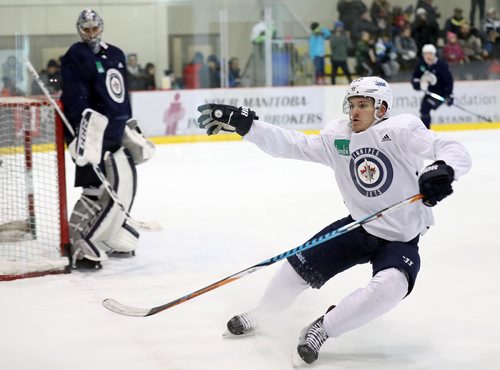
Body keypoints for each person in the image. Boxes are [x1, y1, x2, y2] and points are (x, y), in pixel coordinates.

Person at [196, 76, 471, 366]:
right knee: (297, 266)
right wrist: (248, 126)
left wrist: (444, 169)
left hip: (401, 237)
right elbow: (292, 144)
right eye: (351, 104)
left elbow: (454, 149)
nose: (354, 112)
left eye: (363, 105)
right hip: (359, 226)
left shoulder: (401, 130)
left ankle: (322, 329)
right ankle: (263, 314)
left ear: (382, 108)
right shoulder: (339, 137)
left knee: (392, 286)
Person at [60, 9, 155, 269]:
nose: (90, 33)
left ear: (101, 27)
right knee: (94, 187)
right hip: (92, 132)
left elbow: (121, 94)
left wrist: (129, 125)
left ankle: (110, 233)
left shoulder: (116, 54)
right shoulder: (74, 56)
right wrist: (79, 132)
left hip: (116, 130)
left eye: (94, 28)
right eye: (86, 29)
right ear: (79, 30)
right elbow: (74, 96)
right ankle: (77, 238)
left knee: (120, 184)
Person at [411, 44, 454, 128]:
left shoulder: (441, 65)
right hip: (430, 91)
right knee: (423, 110)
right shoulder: (422, 64)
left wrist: (449, 95)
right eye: (425, 54)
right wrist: (416, 83)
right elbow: (416, 76)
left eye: (430, 54)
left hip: (441, 93)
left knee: (426, 107)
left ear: (434, 54)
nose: (427, 56)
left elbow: (449, 81)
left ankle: (426, 131)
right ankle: (425, 131)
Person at [329, 20, 352, 85]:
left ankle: (351, 84)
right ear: (335, 27)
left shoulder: (344, 36)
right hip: (335, 58)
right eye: (338, 26)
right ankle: (332, 85)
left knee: (347, 72)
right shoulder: (332, 35)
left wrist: (348, 37)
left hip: (343, 58)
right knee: (333, 73)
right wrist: (337, 37)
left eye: (341, 27)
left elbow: (349, 46)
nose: (340, 28)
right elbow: (332, 46)